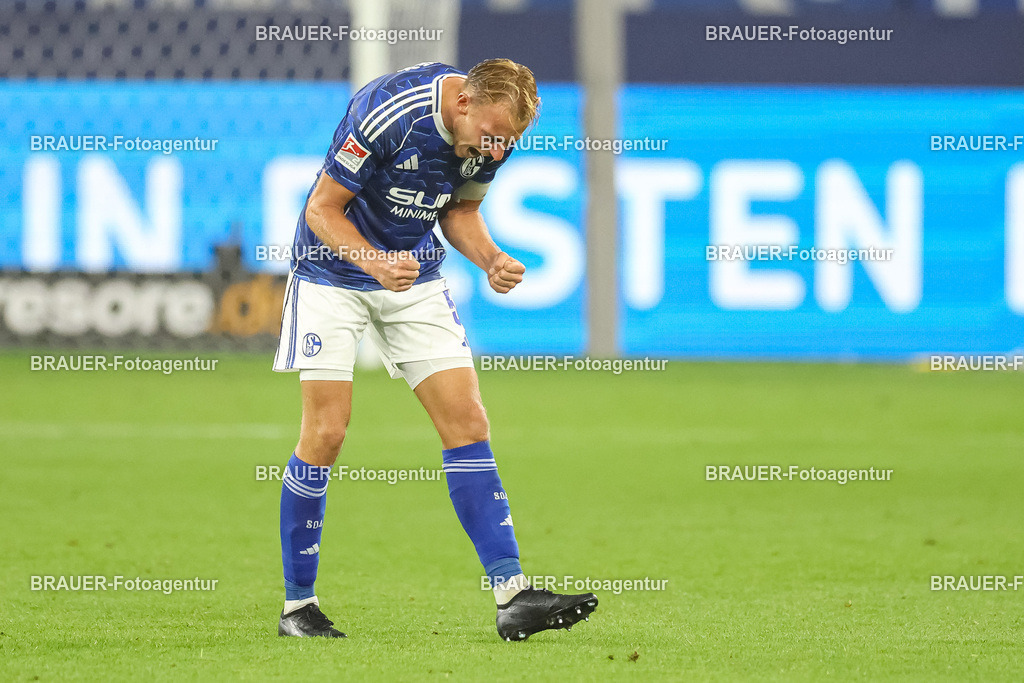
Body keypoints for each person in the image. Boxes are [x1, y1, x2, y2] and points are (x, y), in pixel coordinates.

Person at [272, 59, 597, 641]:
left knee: (468, 422)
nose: (498, 151)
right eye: (495, 137)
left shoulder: (493, 136)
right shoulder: (390, 113)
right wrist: (370, 261)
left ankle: (513, 595)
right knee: (327, 433)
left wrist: (492, 258)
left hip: (415, 278)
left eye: (511, 142)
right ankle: (299, 607)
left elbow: (460, 211)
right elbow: (321, 209)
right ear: (464, 105)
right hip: (331, 276)